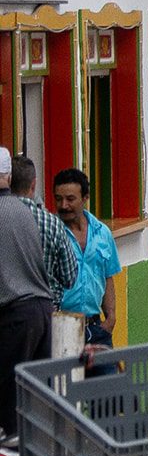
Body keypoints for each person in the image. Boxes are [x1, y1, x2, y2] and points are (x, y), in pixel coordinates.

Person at [0, 149, 79, 437]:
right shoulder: (36, 215)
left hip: (15, 317)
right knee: (40, 396)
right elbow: (70, 276)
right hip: (45, 313)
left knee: (10, 402)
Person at [55, 168, 121, 347]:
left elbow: (108, 277)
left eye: (70, 199)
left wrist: (111, 318)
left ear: (85, 198)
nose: (63, 205)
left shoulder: (102, 233)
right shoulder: (51, 234)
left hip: (97, 328)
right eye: (59, 199)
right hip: (61, 328)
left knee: (109, 375)